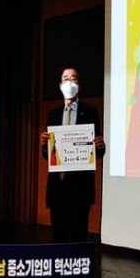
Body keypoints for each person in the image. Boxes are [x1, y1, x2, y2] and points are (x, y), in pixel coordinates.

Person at [40, 67, 106, 242]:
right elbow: (48, 155)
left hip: (80, 188)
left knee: (78, 238)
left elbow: (98, 151)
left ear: (79, 85)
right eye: (65, 79)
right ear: (60, 85)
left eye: (73, 79)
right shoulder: (53, 115)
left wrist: (100, 145)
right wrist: (45, 146)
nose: (69, 82)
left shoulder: (90, 112)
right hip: (58, 188)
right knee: (58, 239)